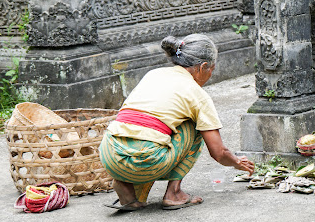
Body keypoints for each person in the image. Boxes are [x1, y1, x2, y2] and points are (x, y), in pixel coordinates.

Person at [99, 33, 255, 211]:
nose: (211, 73)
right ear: (203, 67)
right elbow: (218, 152)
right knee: (194, 125)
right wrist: (236, 162)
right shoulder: (197, 94)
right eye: (212, 68)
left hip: (109, 154)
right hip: (146, 159)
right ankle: (174, 193)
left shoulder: (153, 74)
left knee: (152, 127)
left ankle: (127, 188)